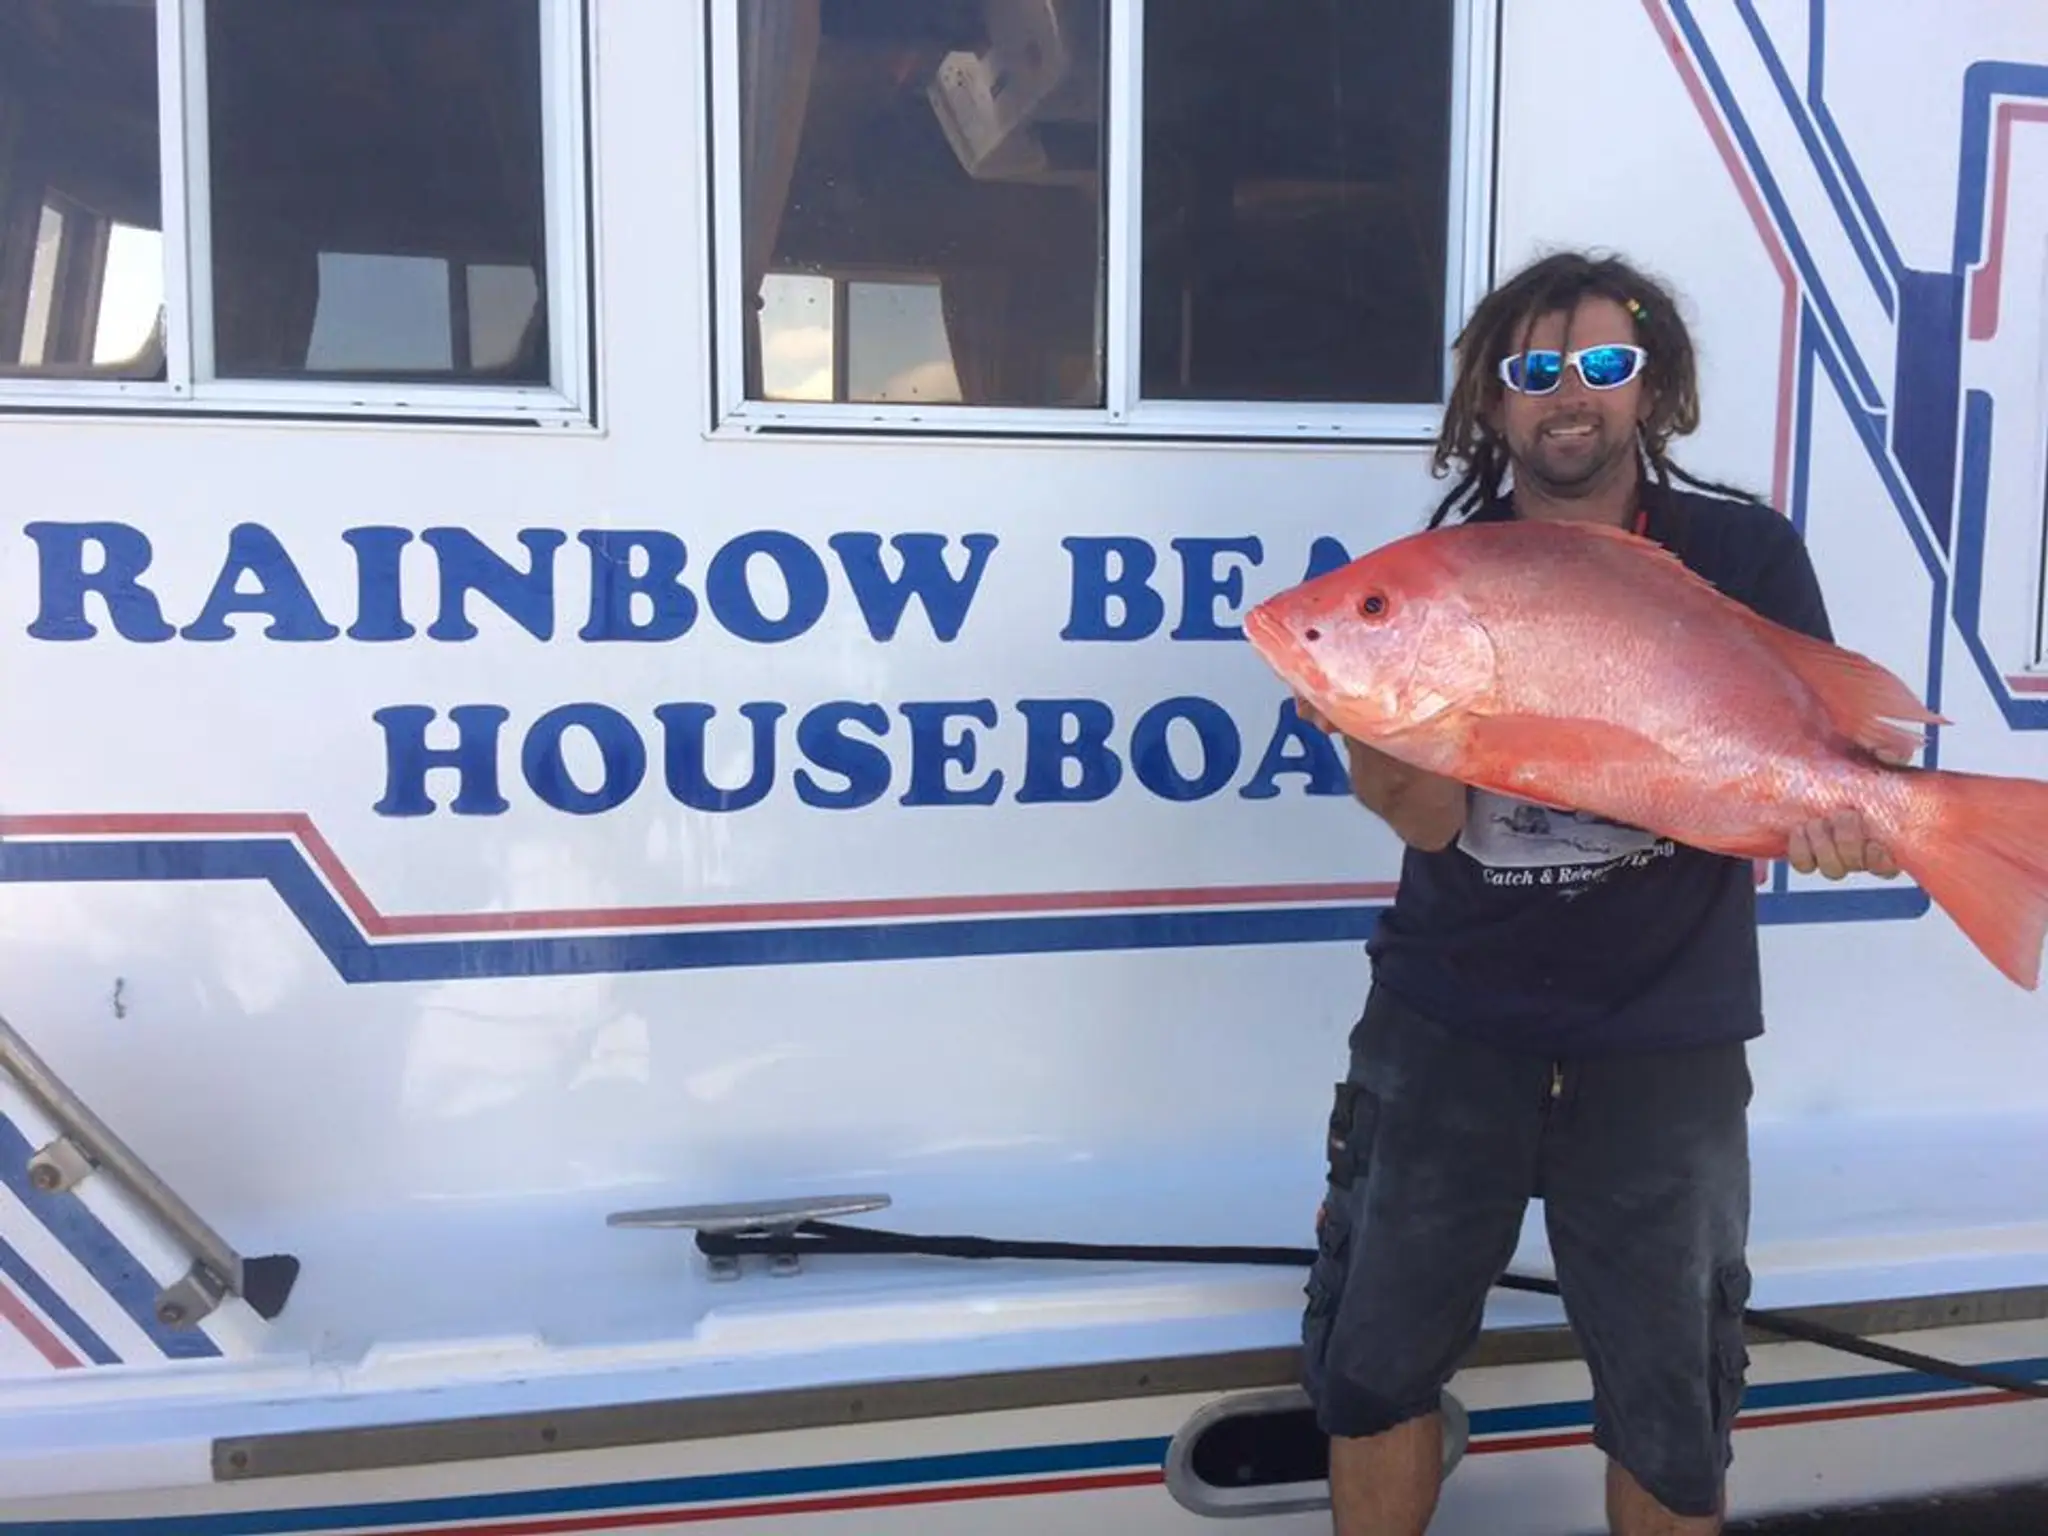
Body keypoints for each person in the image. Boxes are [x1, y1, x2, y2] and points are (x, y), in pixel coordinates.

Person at [1292, 251, 1901, 1536]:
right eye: (1533, 370)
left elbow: (1804, 773)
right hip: (1447, 1026)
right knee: (1371, 1367)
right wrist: (1375, 731)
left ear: (1651, 384)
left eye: (1604, 364)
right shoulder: (1444, 574)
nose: (1569, 393)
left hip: (1661, 1047)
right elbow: (1427, 821)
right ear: (1491, 403)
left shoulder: (1739, 550)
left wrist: (1845, 822)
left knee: (1671, 1413)